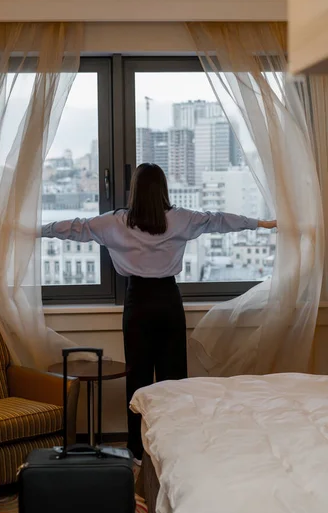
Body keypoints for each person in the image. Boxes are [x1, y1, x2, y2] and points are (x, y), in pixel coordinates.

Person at [41, 163, 277, 465]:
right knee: (173, 381)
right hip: (168, 302)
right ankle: (175, 448)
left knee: (137, 381)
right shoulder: (180, 219)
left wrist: (35, 231)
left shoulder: (114, 223)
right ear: (163, 190)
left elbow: (74, 227)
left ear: (134, 192)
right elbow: (219, 220)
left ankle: (137, 452)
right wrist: (262, 224)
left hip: (137, 303)